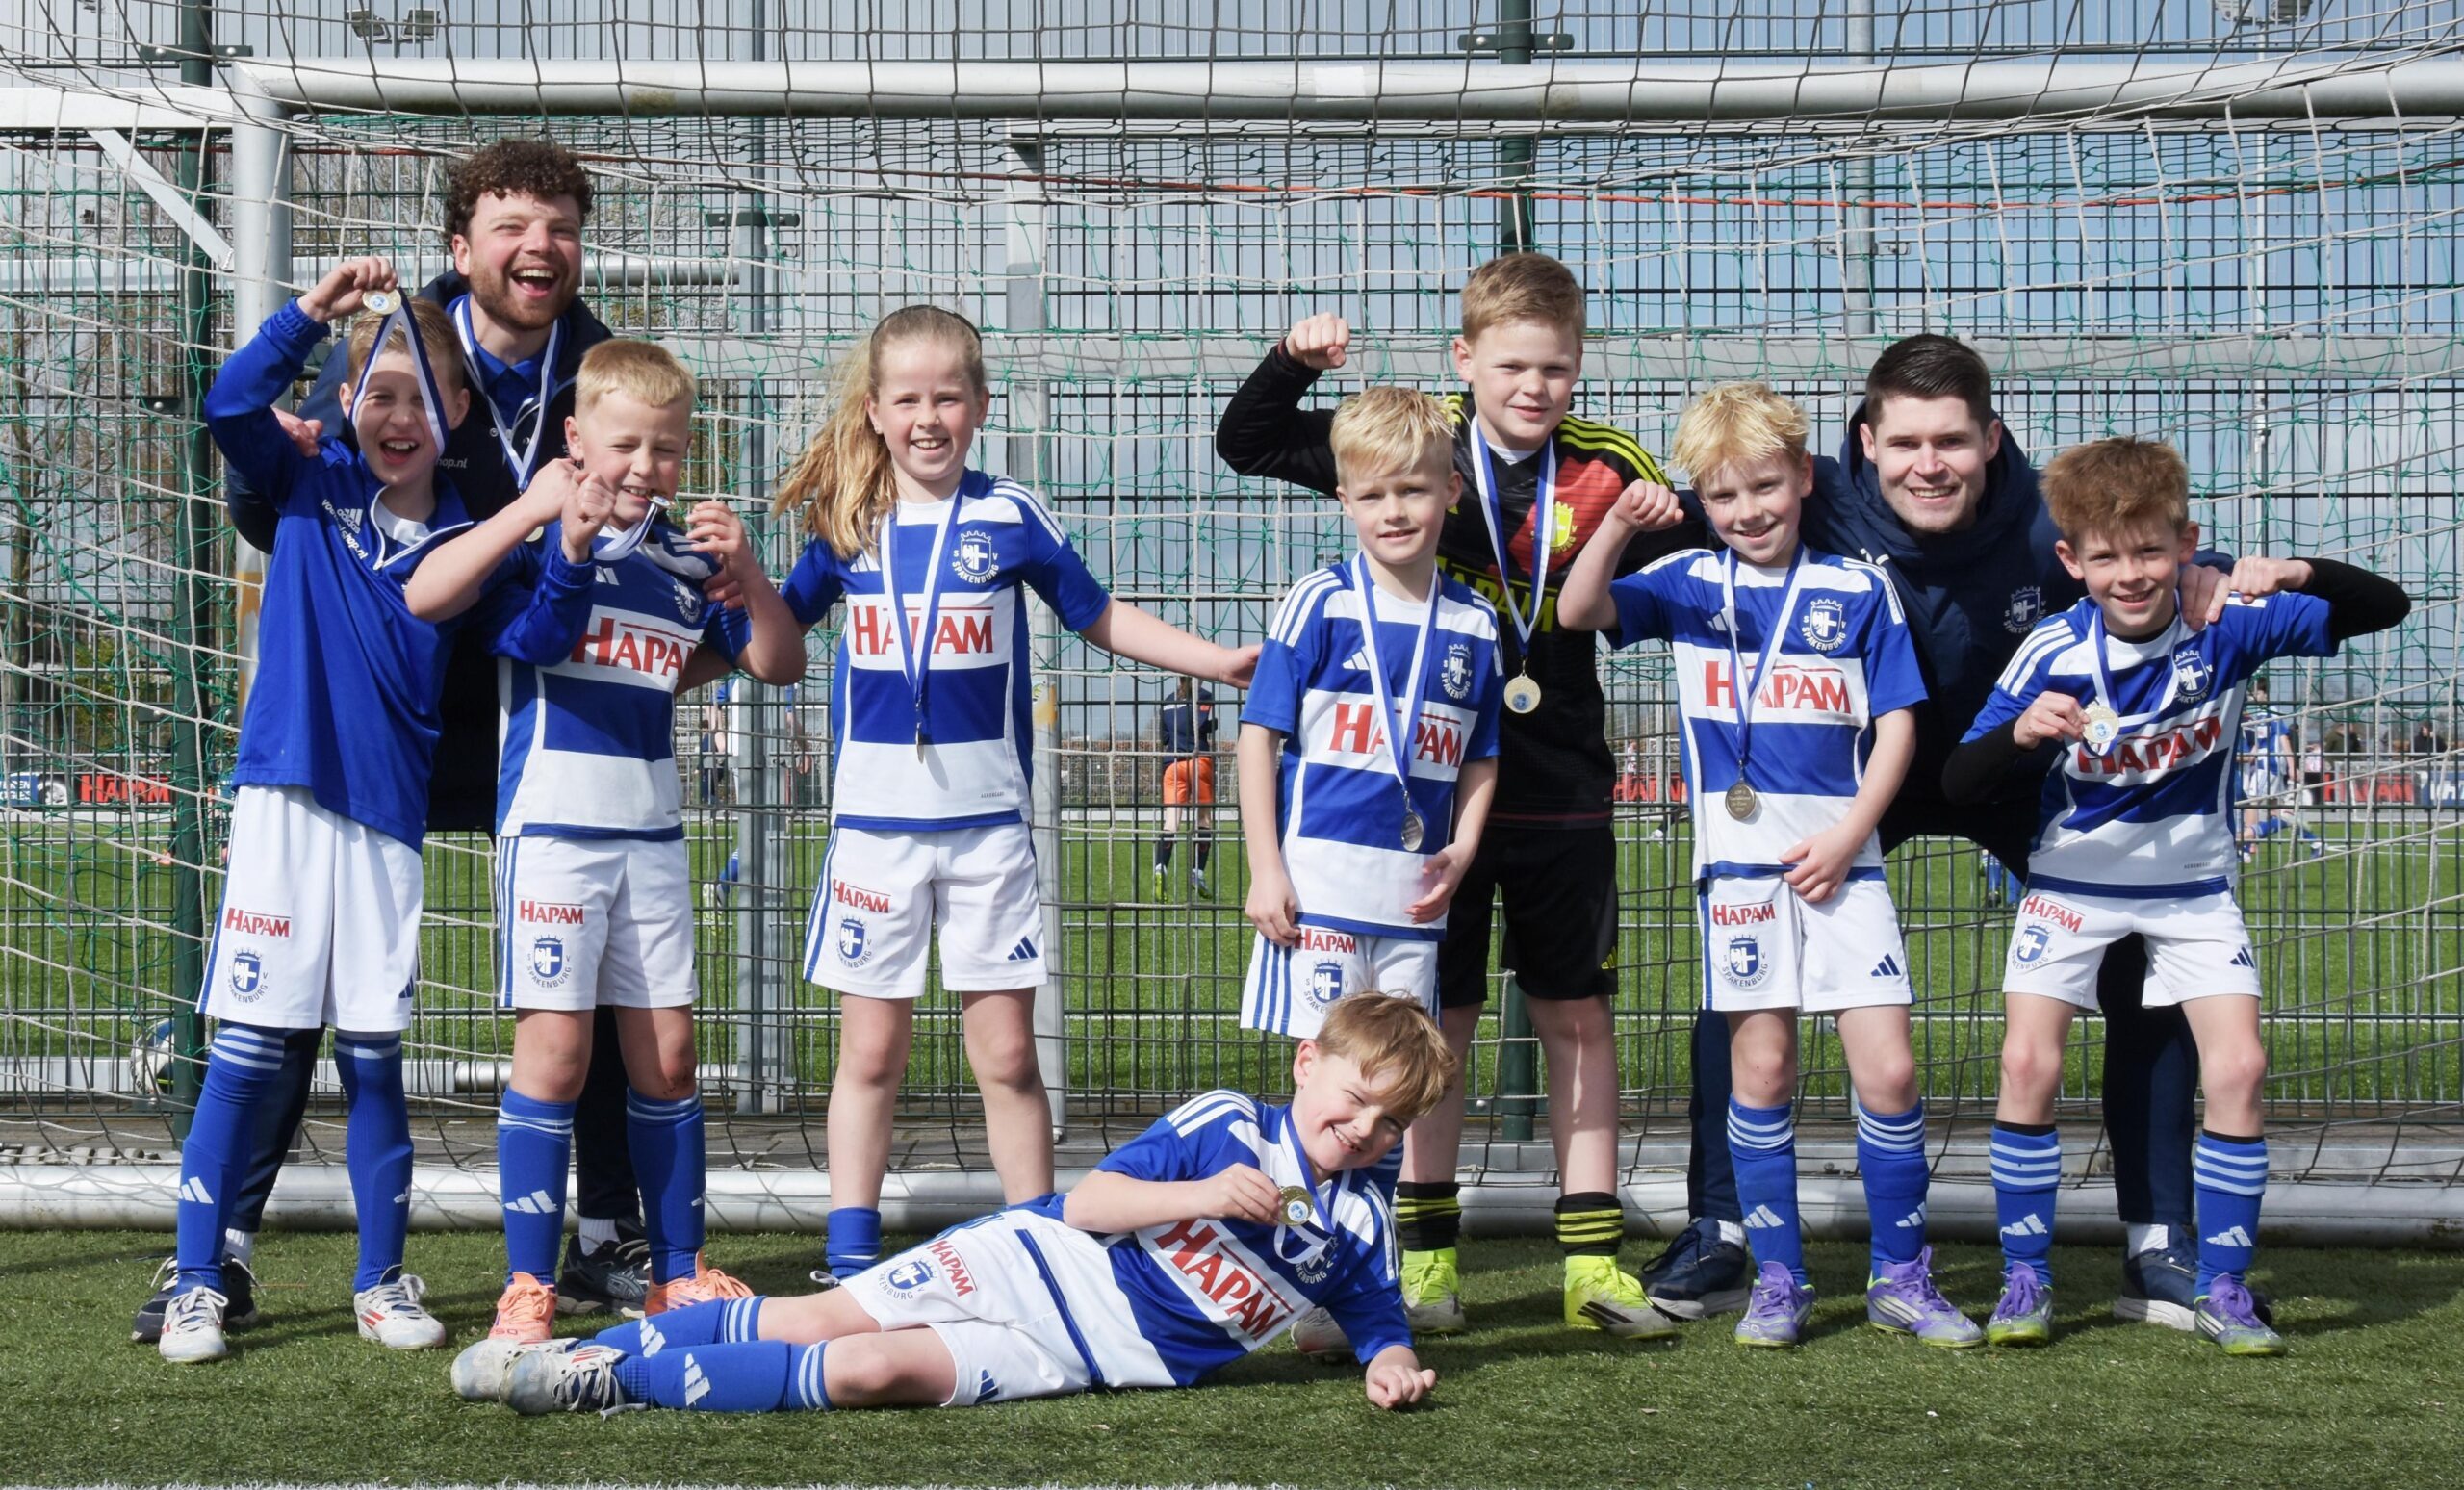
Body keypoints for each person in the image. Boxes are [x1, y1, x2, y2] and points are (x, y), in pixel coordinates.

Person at [141, 137, 661, 1342]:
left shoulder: (606, 366)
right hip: (366, 717)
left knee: (574, 976)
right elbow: (265, 472)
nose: (538, 248)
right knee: (283, 1010)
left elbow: (615, 524)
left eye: (560, 227)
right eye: (510, 224)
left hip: (539, 704)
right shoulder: (396, 352)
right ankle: (213, 1251)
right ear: (459, 244)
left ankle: (603, 1237)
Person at [1641, 335, 2242, 1328]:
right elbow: (1705, 506)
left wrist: (2210, 566)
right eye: (1908, 441)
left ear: (1990, 439)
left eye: (1954, 442)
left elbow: (2148, 538)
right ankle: (1722, 1231)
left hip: (2006, 769)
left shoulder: (2048, 514)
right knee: (1746, 981)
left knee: (2146, 960)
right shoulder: (1807, 495)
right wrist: (1639, 515)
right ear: (1862, 445)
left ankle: (2158, 1239)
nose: (1931, 463)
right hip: (1850, 781)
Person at [1217, 253, 1686, 1338]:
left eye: (1556, 368)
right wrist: (1291, 358)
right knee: (1436, 1027)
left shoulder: (1611, 464)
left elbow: (1730, 531)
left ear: (1577, 368)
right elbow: (1249, 444)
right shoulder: (1414, 448)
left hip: (1557, 781)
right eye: (1512, 365)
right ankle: (1422, 1261)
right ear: (1464, 360)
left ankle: (1591, 1262)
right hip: (1414, 818)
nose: (1534, 387)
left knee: (1578, 1016)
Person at [768, 305, 1257, 1283]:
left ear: (981, 404)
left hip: (988, 836)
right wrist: (684, 654)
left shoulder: (1009, 516)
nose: (927, 417)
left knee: (1007, 1059)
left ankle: (1037, 1246)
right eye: (906, 398)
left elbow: (1098, 615)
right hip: (873, 839)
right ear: (873, 411)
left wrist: (1220, 661)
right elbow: (773, 634)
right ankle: (848, 1250)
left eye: (948, 395)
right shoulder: (844, 522)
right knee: (870, 1058)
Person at [1943, 436, 2408, 1352]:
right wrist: (2021, 737)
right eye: (2107, 557)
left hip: (2194, 891)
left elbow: (2383, 607)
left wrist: (2285, 569)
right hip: (2071, 885)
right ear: (2072, 561)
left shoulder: (2228, 623)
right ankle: (2025, 1279)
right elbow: (1960, 780)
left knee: (2239, 1070)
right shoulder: (2051, 649)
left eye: (2152, 551)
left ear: (2187, 542)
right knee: (2028, 1067)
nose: (2133, 574)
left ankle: (2224, 1286)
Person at [451, 993, 1453, 1416]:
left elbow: (1375, 1321)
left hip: (1089, 1357)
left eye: (1388, 1120)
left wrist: (1393, 1367)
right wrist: (1201, 1194)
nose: (1363, 1128)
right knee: (817, 1317)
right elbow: (1088, 1203)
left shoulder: (1364, 1219)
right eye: (1353, 1096)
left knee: (871, 1370)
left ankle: (608, 1388)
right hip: (1042, 1262)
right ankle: (595, 1357)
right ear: (1307, 1062)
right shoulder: (1229, 1125)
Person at [1561, 381, 1978, 1349]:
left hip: (1846, 867)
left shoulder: (1857, 588)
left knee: (1888, 1070)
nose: (1747, 511)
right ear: (1702, 501)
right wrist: (1622, 527)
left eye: (1765, 487)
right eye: (1723, 495)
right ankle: (1780, 1281)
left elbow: (1898, 725)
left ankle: (1900, 1277)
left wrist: (1848, 836)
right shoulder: (1688, 584)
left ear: (1802, 478)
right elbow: (1580, 610)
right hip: (1740, 878)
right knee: (1763, 1063)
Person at [404, 340, 808, 1340]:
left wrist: (750, 573)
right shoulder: (537, 542)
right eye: (625, 444)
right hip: (553, 837)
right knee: (554, 1058)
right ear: (577, 439)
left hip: (653, 838)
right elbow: (536, 643)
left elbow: (776, 662)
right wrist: (573, 550)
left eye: (666, 450)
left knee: (669, 1061)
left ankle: (678, 1275)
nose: (643, 467)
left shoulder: (685, 559)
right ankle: (528, 1287)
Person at [1234, 383, 1519, 1361]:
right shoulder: (1318, 599)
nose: (1394, 512)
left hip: (1412, 906)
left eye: (1413, 490)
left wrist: (1469, 843)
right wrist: (1265, 869)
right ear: (1344, 501)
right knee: (1324, 1097)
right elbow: (1258, 739)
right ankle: (1301, 1277)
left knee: (1393, 1097)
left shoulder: (1475, 624)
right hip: (1316, 896)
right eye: (1372, 494)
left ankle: (1369, 1281)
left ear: (1447, 494)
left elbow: (1480, 756)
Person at [1153, 678, 1219, 896]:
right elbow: (1198, 724)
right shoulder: (1203, 695)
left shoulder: (1167, 701)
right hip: (1198, 759)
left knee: (1171, 821)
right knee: (1203, 819)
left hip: (1172, 762)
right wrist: (1211, 726)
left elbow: (1164, 736)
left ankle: (1160, 868)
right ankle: (1197, 872)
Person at [2236, 679, 2317, 857]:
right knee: (2276, 811)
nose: (2254, 697)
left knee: (2252, 803)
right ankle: (2313, 840)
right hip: (2263, 765)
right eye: (2252, 694)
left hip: (2267, 766)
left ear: (2265, 694)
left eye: (2257, 693)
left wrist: (2292, 766)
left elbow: (2283, 740)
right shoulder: (2257, 717)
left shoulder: (2272, 714)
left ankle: (2247, 846)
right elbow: (2259, 743)